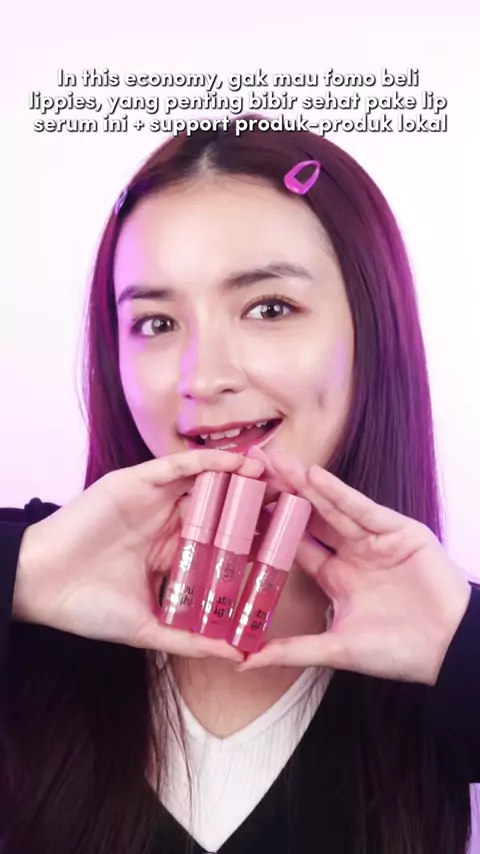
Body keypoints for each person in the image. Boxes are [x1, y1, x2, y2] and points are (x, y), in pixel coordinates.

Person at [0, 113, 479, 854]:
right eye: (156, 323)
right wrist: (23, 579)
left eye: (269, 308)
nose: (204, 377)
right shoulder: (35, 597)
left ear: (371, 329)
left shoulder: (443, 648)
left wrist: (462, 648)